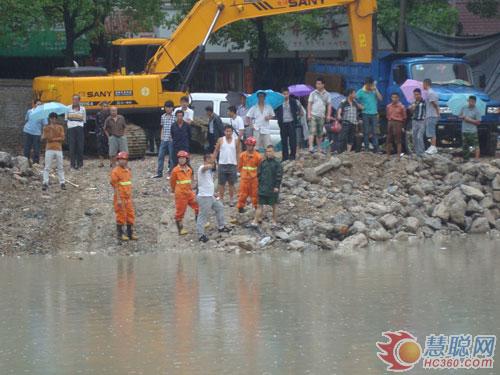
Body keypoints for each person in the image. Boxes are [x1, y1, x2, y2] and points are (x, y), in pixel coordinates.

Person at [196, 154, 231, 243]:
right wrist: (213, 163)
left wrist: (213, 193)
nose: (212, 160)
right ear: (206, 159)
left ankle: (221, 227)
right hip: (204, 196)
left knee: (220, 207)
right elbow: (206, 167)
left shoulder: (210, 172)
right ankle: (201, 235)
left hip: (210, 195)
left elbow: (208, 183)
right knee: (203, 215)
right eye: (210, 159)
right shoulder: (202, 168)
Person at [251, 145, 283, 228]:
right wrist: (258, 184)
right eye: (267, 151)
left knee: (274, 205)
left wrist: (276, 186)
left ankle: (274, 221)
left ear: (274, 152)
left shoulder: (277, 163)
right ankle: (255, 221)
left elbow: (279, 176)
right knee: (259, 205)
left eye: (270, 151)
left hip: (272, 189)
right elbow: (259, 174)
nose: (268, 153)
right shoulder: (263, 162)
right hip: (263, 188)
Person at [110, 151, 138, 241]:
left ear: (126, 161)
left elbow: (128, 184)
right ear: (118, 161)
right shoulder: (115, 172)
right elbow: (115, 187)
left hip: (128, 197)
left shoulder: (127, 171)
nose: (122, 161)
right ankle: (120, 234)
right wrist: (118, 199)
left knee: (130, 214)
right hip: (120, 198)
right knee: (121, 215)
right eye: (120, 160)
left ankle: (130, 233)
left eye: (124, 160)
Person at [170, 150, 199, 235]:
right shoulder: (175, 170)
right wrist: (174, 191)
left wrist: (191, 189)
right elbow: (172, 182)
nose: (181, 160)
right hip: (181, 194)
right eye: (180, 158)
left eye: (183, 158)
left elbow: (190, 181)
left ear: (186, 159)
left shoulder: (189, 169)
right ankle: (180, 229)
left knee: (198, 206)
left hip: (189, 193)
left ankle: (199, 223)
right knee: (180, 211)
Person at [212, 125, 241, 206]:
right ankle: (221, 199)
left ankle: (231, 200)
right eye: (226, 131)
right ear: (224, 132)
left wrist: (238, 164)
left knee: (231, 184)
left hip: (232, 164)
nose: (228, 133)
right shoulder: (221, 140)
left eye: (230, 131)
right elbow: (216, 151)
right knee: (221, 184)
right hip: (222, 164)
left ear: (232, 132)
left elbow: (238, 153)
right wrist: (212, 161)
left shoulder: (236, 141)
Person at [356, 77, 382, 153]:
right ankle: (366, 148)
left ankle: (376, 148)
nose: (369, 86)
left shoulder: (374, 91)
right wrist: (359, 105)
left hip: (374, 114)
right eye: (368, 85)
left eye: (371, 85)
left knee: (375, 132)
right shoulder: (361, 91)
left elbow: (380, 99)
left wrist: (376, 89)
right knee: (366, 131)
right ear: (366, 84)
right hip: (365, 114)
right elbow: (353, 98)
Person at [237, 137, 262, 214]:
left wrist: (256, 176)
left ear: (253, 146)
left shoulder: (258, 156)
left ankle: (255, 208)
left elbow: (259, 168)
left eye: (250, 145)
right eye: (247, 145)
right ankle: (240, 208)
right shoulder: (242, 155)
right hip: (244, 178)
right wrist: (242, 174)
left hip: (254, 179)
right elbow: (239, 166)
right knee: (242, 194)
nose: (249, 147)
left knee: (255, 194)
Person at [41, 112, 65, 191]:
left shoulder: (60, 127)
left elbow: (62, 137)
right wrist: (49, 134)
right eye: (52, 118)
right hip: (49, 148)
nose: (53, 120)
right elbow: (44, 137)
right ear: (50, 119)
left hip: (58, 148)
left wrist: (53, 139)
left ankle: (62, 183)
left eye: (54, 118)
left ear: (56, 119)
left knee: (60, 167)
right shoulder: (46, 128)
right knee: (47, 167)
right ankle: (45, 183)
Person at [307, 77, 332, 153]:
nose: (317, 85)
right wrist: (309, 114)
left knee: (320, 133)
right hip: (313, 115)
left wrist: (328, 115)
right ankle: (311, 147)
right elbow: (309, 104)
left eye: (319, 84)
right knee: (312, 131)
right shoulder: (313, 93)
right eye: (316, 83)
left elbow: (329, 105)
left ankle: (319, 148)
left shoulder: (327, 94)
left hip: (321, 116)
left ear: (323, 84)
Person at [276, 87, 300, 161]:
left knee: (293, 140)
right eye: (284, 94)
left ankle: (292, 155)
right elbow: (276, 111)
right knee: (284, 141)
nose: (285, 96)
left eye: (286, 94)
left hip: (291, 122)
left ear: (289, 94)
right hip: (283, 123)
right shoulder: (279, 102)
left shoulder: (293, 101)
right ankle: (285, 157)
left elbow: (297, 111)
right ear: (281, 95)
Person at [153, 101, 175, 179]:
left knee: (172, 157)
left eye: (170, 107)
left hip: (171, 139)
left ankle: (171, 173)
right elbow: (162, 127)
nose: (168, 109)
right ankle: (159, 173)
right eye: (166, 107)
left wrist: (173, 137)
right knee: (160, 156)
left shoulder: (174, 116)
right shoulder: (163, 116)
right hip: (164, 139)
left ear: (172, 108)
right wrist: (161, 136)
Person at [337, 88, 363, 152]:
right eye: (354, 93)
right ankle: (340, 151)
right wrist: (339, 115)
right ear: (350, 94)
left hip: (354, 122)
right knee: (342, 137)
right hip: (346, 122)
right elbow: (340, 108)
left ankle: (348, 152)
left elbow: (361, 107)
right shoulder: (344, 101)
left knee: (351, 138)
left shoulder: (355, 102)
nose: (355, 95)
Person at [65, 94, 86, 169]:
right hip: (71, 129)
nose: (75, 101)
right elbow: (66, 119)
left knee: (80, 146)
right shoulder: (67, 108)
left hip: (80, 128)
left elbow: (84, 120)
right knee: (72, 146)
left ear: (79, 100)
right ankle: (72, 164)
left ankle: (80, 164)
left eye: (76, 99)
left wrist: (78, 124)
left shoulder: (83, 109)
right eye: (73, 99)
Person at [459, 95, 482, 161]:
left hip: (472, 131)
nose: (471, 103)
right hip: (464, 130)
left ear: (475, 102)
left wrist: (470, 120)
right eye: (470, 101)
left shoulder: (477, 110)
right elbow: (459, 115)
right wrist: (462, 117)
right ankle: (466, 160)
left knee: (476, 145)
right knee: (465, 146)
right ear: (468, 101)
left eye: (473, 101)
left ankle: (476, 159)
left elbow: (478, 122)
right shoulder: (464, 108)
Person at [23, 100, 45, 165]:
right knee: (27, 147)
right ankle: (25, 162)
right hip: (27, 131)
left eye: (40, 104)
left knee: (36, 149)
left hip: (37, 134)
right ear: (34, 104)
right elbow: (26, 119)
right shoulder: (29, 111)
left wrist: (43, 134)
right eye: (38, 104)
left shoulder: (43, 114)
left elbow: (45, 125)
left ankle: (36, 163)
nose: (39, 105)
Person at [385, 92, 407, 158]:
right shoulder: (388, 106)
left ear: (398, 98)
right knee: (388, 139)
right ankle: (388, 155)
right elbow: (387, 115)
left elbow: (404, 117)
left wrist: (402, 126)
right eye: (393, 97)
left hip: (398, 123)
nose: (394, 99)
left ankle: (398, 156)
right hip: (390, 122)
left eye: (396, 97)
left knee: (398, 140)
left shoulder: (402, 107)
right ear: (391, 98)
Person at [423, 78, 440, 155]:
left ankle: (433, 147)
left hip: (432, 115)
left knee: (432, 132)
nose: (422, 85)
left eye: (423, 84)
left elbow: (434, 104)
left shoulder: (431, 93)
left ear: (426, 84)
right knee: (430, 132)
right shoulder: (428, 93)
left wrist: (438, 112)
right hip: (429, 114)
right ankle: (432, 146)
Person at [409, 88, 426, 156]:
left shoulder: (424, 102)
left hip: (422, 121)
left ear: (420, 94)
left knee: (419, 136)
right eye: (415, 95)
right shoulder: (413, 102)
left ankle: (422, 152)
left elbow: (427, 111)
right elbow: (411, 112)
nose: (416, 96)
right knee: (414, 137)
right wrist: (412, 108)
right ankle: (417, 152)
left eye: (417, 94)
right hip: (414, 121)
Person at [95, 102, 110, 167]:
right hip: (100, 132)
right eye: (104, 106)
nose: (105, 107)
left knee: (110, 147)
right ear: (101, 107)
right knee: (100, 147)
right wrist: (98, 132)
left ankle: (111, 162)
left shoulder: (110, 114)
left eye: (106, 106)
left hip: (109, 133)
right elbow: (97, 123)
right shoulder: (98, 114)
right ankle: (101, 162)